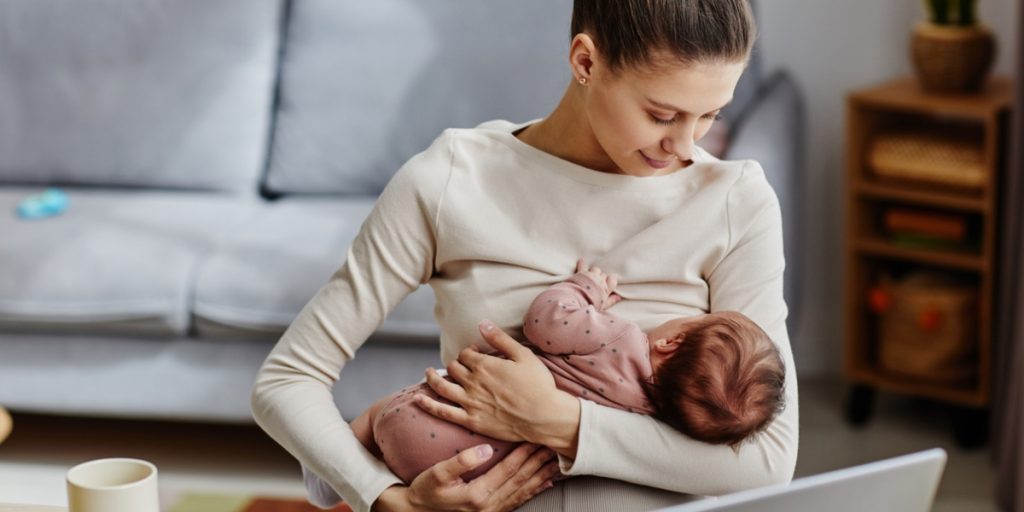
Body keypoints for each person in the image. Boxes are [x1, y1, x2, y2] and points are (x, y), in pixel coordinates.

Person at [251, 1, 799, 511]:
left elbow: (766, 462)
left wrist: (560, 422)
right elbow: (287, 380)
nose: (685, 146)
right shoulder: (451, 181)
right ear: (586, 61)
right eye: (661, 115)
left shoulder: (734, 201)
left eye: (709, 116)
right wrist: (387, 497)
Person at [302, 259, 785, 504]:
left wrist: (585, 288)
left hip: (424, 416)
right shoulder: (649, 419)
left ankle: (335, 472)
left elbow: (546, 322)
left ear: (671, 342)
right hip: (475, 472)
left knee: (381, 413)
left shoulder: (619, 336)